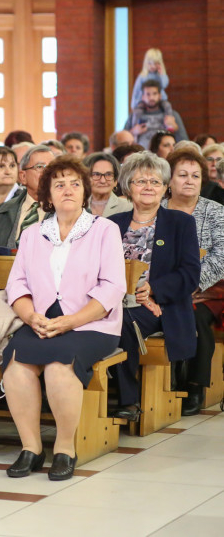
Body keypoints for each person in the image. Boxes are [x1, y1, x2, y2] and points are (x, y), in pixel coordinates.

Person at [3, 156, 125, 481]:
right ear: (48, 194)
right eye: (59, 185)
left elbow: (113, 287)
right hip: (42, 322)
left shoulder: (105, 230)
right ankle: (31, 448)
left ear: (85, 191)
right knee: (16, 365)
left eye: (74, 183)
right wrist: (31, 317)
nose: (67, 190)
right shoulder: (32, 234)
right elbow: (17, 284)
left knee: (60, 366)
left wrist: (71, 322)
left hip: (92, 324)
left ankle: (64, 448)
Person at [108, 152, 200, 420]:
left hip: (163, 307)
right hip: (113, 300)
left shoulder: (181, 223)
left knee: (125, 321)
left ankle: (128, 401)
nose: (148, 187)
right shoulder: (112, 224)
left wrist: (153, 290)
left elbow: (190, 273)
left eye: (155, 182)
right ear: (128, 187)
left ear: (165, 187)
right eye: (140, 181)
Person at [161, 147, 224, 415]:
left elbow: (221, 256)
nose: (189, 181)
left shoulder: (216, 211)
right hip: (160, 287)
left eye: (195, 176)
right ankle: (163, 382)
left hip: (207, 290)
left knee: (195, 317)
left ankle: (194, 386)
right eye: (182, 175)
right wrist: (168, 288)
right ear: (169, 179)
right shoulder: (157, 209)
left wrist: (190, 285)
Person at [0, 145, 55, 249]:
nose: (48, 173)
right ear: (23, 177)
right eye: (40, 167)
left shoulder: (67, 213)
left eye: (52, 167)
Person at [125, 80, 188, 149]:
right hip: (141, 153)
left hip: (166, 154)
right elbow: (121, 143)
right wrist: (132, 132)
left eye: (154, 94)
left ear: (160, 96)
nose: (151, 98)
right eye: (148, 94)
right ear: (143, 97)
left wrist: (175, 128)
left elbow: (185, 144)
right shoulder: (134, 116)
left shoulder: (172, 115)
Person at [82, 152, 131, 217]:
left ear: (115, 181)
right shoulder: (78, 205)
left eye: (108, 174)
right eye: (96, 174)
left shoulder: (128, 207)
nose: (103, 181)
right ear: (86, 178)